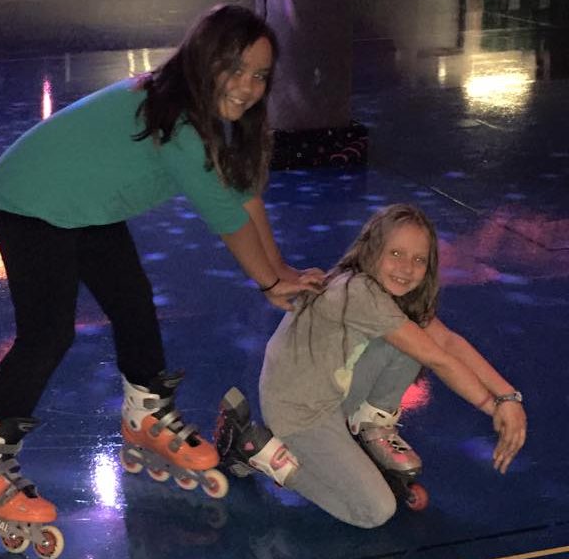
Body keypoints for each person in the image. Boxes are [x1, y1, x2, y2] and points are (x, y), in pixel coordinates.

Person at [0, 3, 325, 551]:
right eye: (235, 69)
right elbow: (228, 222)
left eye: (259, 75)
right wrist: (269, 283)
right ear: (205, 61)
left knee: (134, 301)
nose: (248, 86)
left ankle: (146, 417)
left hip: (83, 203)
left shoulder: (201, 114)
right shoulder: (180, 122)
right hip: (28, 200)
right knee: (48, 333)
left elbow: (242, 196)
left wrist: (282, 271)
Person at [216, 204, 527, 529]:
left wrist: (508, 397)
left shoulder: (381, 288)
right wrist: (494, 408)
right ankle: (260, 452)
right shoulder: (359, 293)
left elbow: (448, 342)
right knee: (375, 511)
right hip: (299, 413)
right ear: (372, 249)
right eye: (396, 253)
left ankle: (369, 424)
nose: (407, 268)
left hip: (326, 389)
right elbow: (439, 358)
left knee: (413, 340)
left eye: (419, 259)